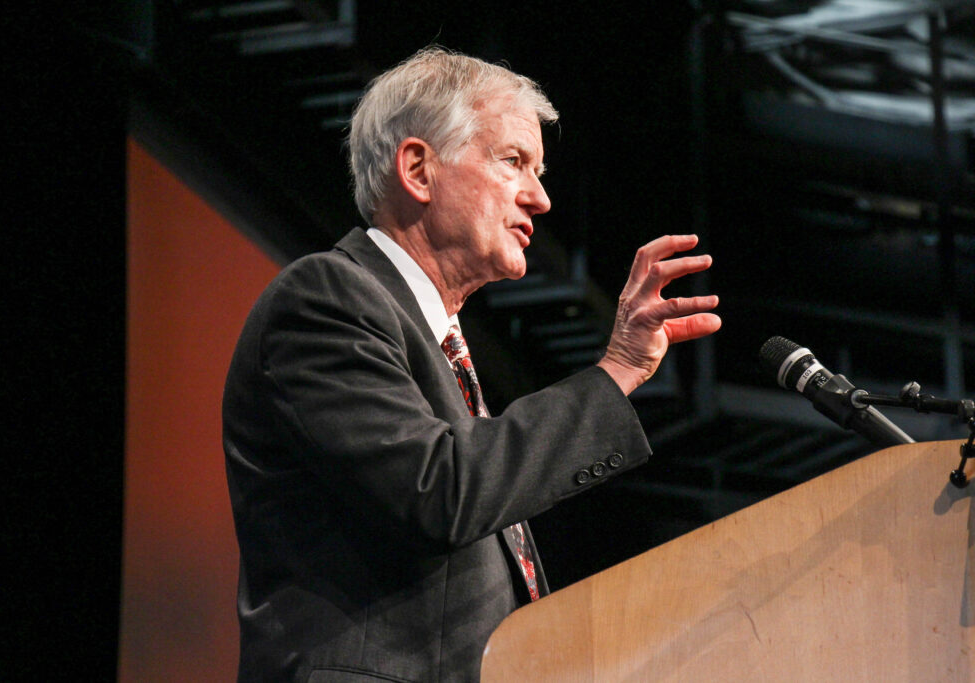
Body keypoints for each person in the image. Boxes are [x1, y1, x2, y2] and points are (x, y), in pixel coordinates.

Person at [222, 47, 721, 682]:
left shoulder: (444, 346)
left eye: (538, 170)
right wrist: (619, 366)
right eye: (514, 161)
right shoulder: (325, 299)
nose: (540, 198)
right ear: (418, 170)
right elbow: (443, 489)